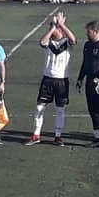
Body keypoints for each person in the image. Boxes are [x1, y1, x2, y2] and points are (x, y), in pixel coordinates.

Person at [29, 13, 75, 145]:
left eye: (55, 27)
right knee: (39, 107)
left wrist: (62, 25)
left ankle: (58, 136)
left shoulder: (66, 43)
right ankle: (36, 135)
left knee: (60, 109)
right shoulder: (49, 42)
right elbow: (42, 42)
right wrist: (52, 28)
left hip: (62, 80)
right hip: (47, 79)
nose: (53, 29)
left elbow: (73, 39)